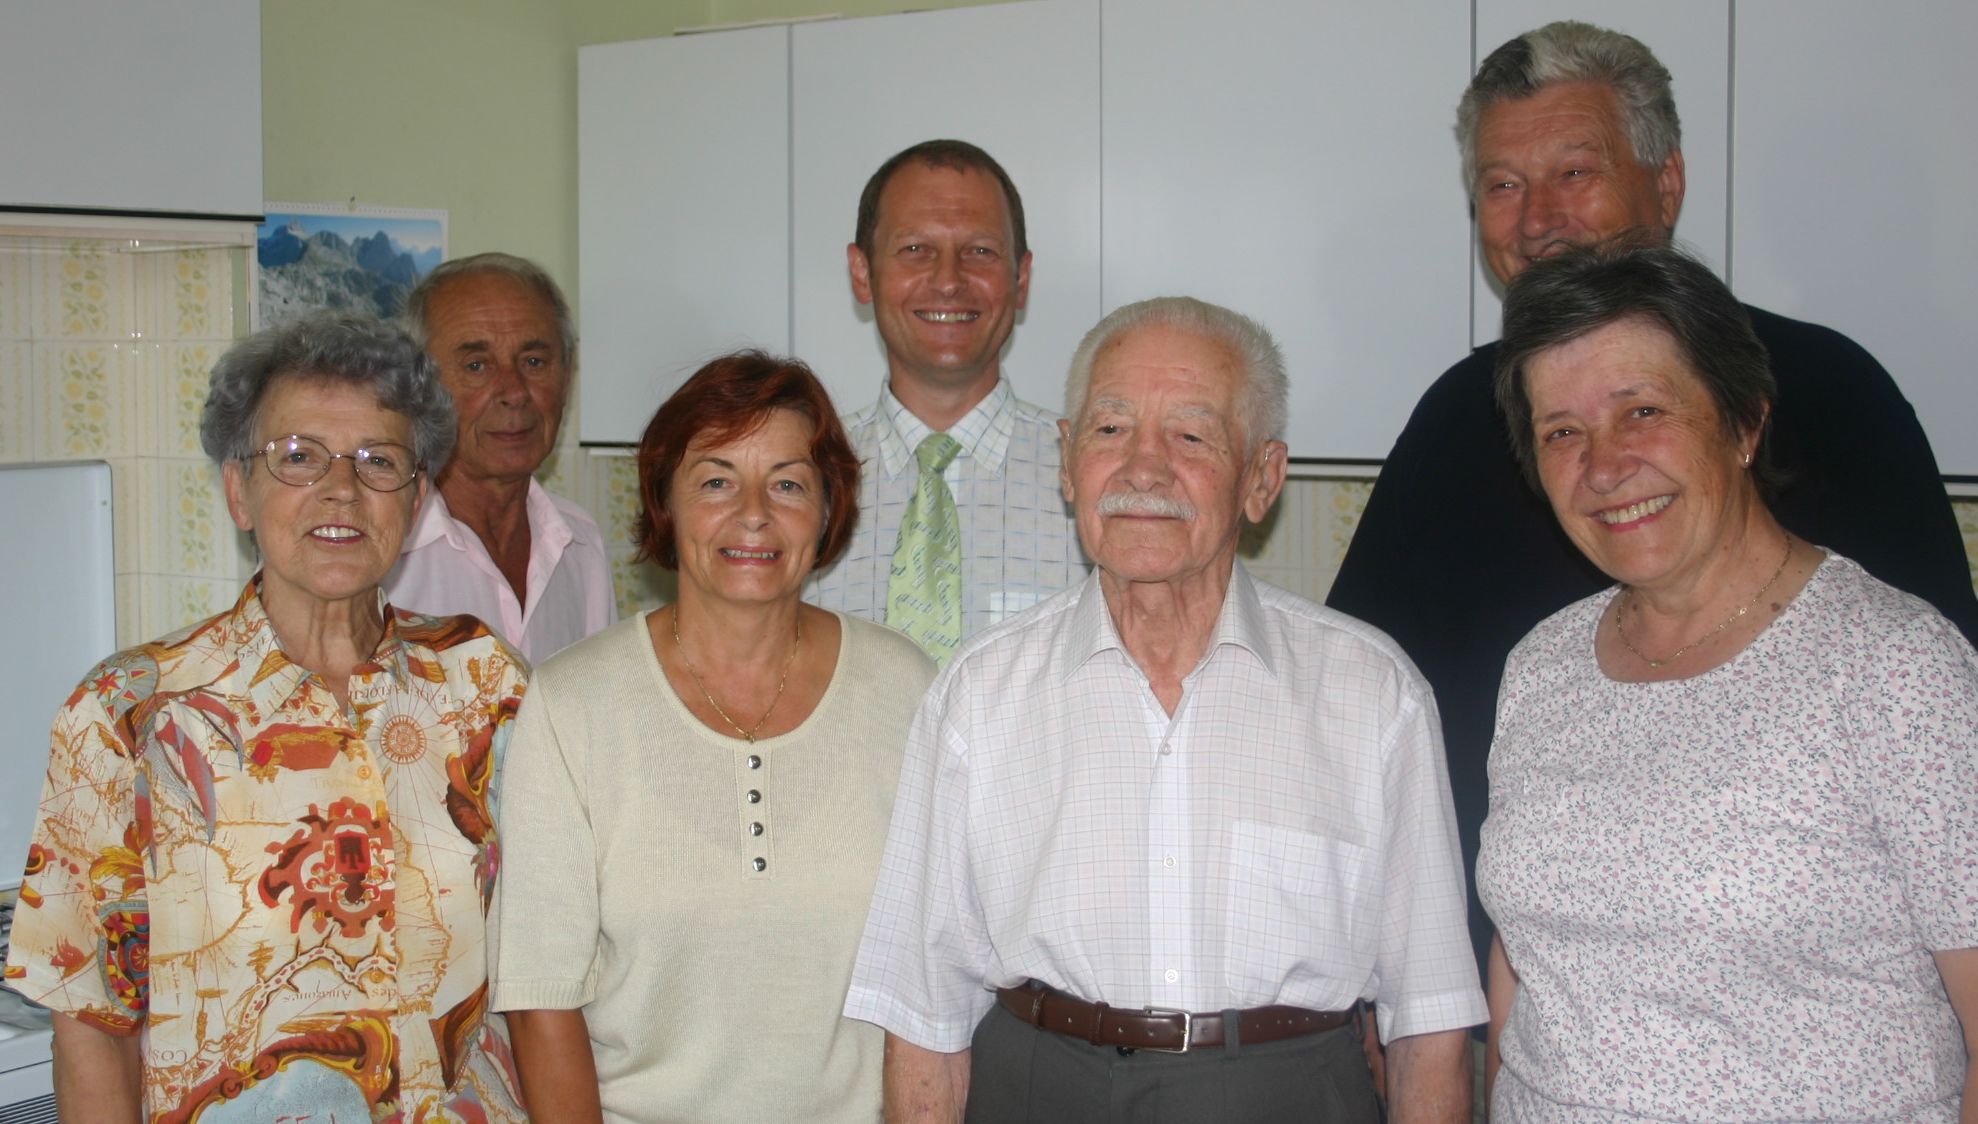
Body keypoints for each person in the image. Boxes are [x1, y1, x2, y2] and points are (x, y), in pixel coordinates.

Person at [1326, 20, 1978, 976]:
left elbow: (1945, 742)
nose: (1536, 219)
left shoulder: (1832, 395)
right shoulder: (1454, 418)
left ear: (1666, 183)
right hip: (1492, 978)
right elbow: (1358, 696)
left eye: (1574, 172)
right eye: (1502, 186)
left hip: (1784, 997)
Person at [846, 297, 1484, 1122]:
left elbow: (1429, 1021)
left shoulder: (1372, 693)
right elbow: (924, 1014)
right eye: (1111, 429)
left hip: (1290, 1093)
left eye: (1190, 436)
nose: (1143, 469)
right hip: (1038, 1086)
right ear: (1068, 463)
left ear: (1262, 478)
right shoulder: (978, 693)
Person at [1476, 243, 1978, 1120]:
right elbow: (1525, 963)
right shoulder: (1541, 666)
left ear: (1745, 423)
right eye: (1562, 432)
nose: (1604, 466)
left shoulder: (1892, 667)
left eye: (1642, 411)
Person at [2, 314, 529, 1121]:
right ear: (237, 490)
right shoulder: (129, 714)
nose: (342, 489)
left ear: (417, 499)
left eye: (378, 461)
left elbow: (545, 966)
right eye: (298, 456)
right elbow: (91, 1020)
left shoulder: (484, 682)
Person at [487, 351, 935, 1123]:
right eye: (717, 481)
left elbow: (934, 975)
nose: (754, 513)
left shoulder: (908, 689)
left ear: (829, 510)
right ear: (666, 502)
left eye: (788, 484)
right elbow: (541, 998)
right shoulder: (571, 705)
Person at [807, 139, 1087, 664]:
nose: (949, 281)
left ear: (1021, 278)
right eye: (916, 249)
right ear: (862, 273)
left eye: (980, 251)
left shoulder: (1097, 479)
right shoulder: (802, 477)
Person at [388, 252, 615, 664]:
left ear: (567, 377)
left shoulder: (580, 544)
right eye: (477, 365)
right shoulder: (379, 551)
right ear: (418, 388)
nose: (514, 391)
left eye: (534, 362)